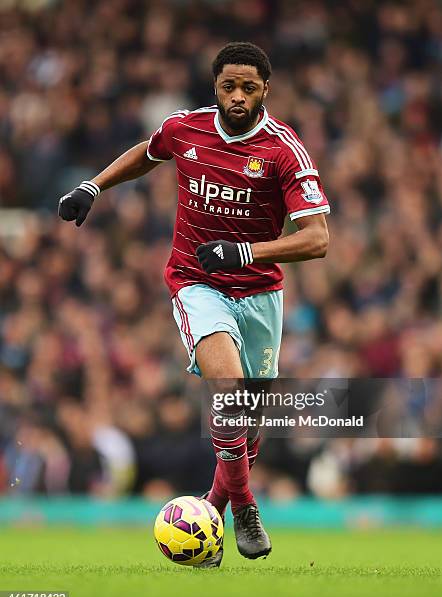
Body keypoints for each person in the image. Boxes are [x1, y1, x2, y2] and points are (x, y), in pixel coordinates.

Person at [58, 42, 330, 566]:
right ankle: (246, 508)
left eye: (249, 87)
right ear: (216, 86)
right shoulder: (187, 128)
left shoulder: (282, 150)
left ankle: (212, 508)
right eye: (229, 85)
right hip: (195, 282)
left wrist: (245, 251)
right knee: (227, 392)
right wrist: (94, 185)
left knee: (248, 427)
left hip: (260, 293)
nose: (237, 95)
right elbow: (149, 150)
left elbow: (317, 239)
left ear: (265, 90)